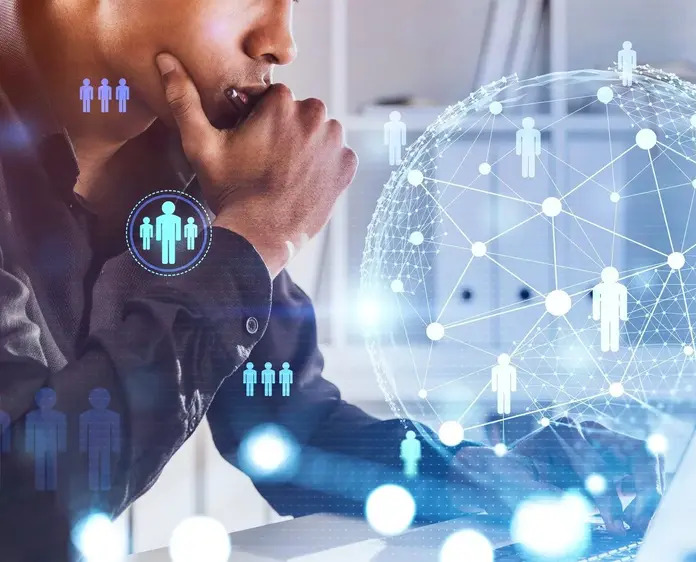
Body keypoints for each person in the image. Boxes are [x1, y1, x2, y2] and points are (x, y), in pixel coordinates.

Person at [0, 1, 658, 557]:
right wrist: (255, 240)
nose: (280, 43)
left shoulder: (192, 162)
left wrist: (510, 474)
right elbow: (23, 505)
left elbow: (292, 427)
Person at [78, 388, 121, 492]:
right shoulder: (85, 416)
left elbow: (115, 433)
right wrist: (83, 447)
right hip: (93, 446)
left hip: (106, 446)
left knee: (105, 466)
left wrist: (116, 447)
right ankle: (93, 487)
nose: (100, 402)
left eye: (103, 399)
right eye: (96, 399)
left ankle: (104, 487)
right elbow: (83, 433)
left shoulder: (113, 416)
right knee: (93, 467)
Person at [25, 388, 67, 491]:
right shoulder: (31, 416)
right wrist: (29, 447)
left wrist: (62, 446)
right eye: (43, 398)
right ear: (38, 400)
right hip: (38, 447)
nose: (46, 401)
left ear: (54, 400)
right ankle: (40, 490)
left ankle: (51, 490)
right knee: (39, 469)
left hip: (53, 446)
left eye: (49, 398)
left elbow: (62, 433)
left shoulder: (60, 416)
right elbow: (29, 433)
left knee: (52, 469)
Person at [593, 267, 629, 352]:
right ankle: (605, 346)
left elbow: (623, 302)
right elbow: (596, 302)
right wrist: (596, 314)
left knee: (614, 329)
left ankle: (614, 346)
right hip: (605, 311)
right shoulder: (598, 288)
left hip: (614, 311)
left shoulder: (621, 288)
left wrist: (623, 314)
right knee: (605, 328)